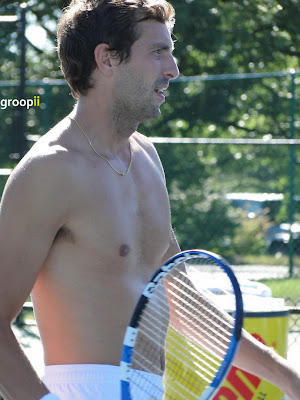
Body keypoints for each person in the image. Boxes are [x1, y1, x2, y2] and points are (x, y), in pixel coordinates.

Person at [0, 0, 299, 399]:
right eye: (158, 51)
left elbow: (181, 300)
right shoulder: (50, 170)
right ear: (107, 59)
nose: (173, 69)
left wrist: (289, 379)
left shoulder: (144, 157)